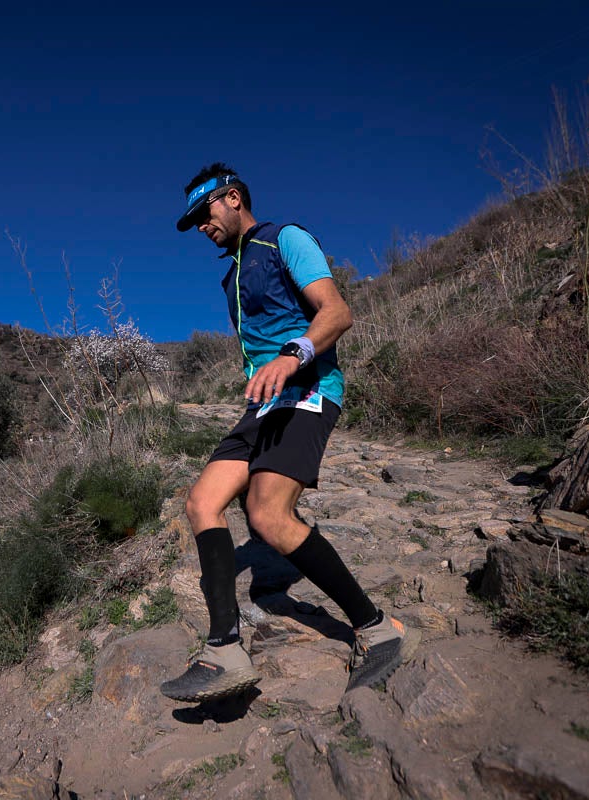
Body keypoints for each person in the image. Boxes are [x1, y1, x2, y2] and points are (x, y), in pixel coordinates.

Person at [160, 164, 415, 703]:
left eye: (204, 213)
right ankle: (225, 650)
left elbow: (337, 312)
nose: (201, 226)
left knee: (268, 517)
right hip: (264, 404)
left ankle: (375, 629)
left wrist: (291, 355)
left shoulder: (283, 240)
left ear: (232, 198)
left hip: (308, 389)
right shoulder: (230, 275)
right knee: (202, 503)